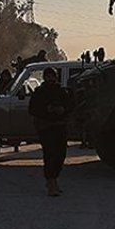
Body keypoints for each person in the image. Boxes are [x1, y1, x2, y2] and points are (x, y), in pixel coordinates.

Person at [29, 67, 75, 196]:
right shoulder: (39, 92)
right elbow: (32, 109)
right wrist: (46, 109)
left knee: (61, 154)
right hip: (46, 127)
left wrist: (62, 109)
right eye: (48, 76)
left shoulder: (61, 92)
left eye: (52, 76)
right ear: (44, 77)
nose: (51, 79)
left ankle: (54, 178)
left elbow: (70, 106)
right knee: (50, 154)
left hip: (60, 126)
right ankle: (51, 181)